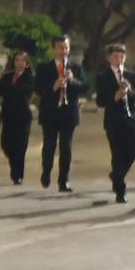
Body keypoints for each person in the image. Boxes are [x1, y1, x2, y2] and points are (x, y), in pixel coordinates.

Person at [35, 35, 85, 193]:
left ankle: (63, 180)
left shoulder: (76, 68)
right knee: (49, 145)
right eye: (60, 47)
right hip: (50, 112)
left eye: (66, 47)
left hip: (68, 113)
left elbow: (84, 88)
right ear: (53, 49)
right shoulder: (44, 68)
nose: (63, 51)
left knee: (66, 147)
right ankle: (46, 171)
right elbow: (37, 90)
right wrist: (53, 87)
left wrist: (73, 81)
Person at [96, 43, 135, 203]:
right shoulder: (103, 77)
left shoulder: (132, 75)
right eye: (115, 56)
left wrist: (130, 91)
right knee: (117, 155)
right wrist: (114, 97)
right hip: (113, 121)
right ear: (109, 58)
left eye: (122, 56)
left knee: (132, 152)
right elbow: (100, 101)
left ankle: (116, 175)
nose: (119, 59)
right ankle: (120, 192)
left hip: (130, 120)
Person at [0, 51, 35, 185]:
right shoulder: (7, 77)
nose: (19, 63)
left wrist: (9, 87)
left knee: (20, 147)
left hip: (22, 117)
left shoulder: (29, 77)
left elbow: (22, 93)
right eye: (17, 60)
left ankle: (17, 175)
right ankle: (15, 169)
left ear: (26, 64)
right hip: (8, 116)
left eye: (22, 60)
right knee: (6, 145)